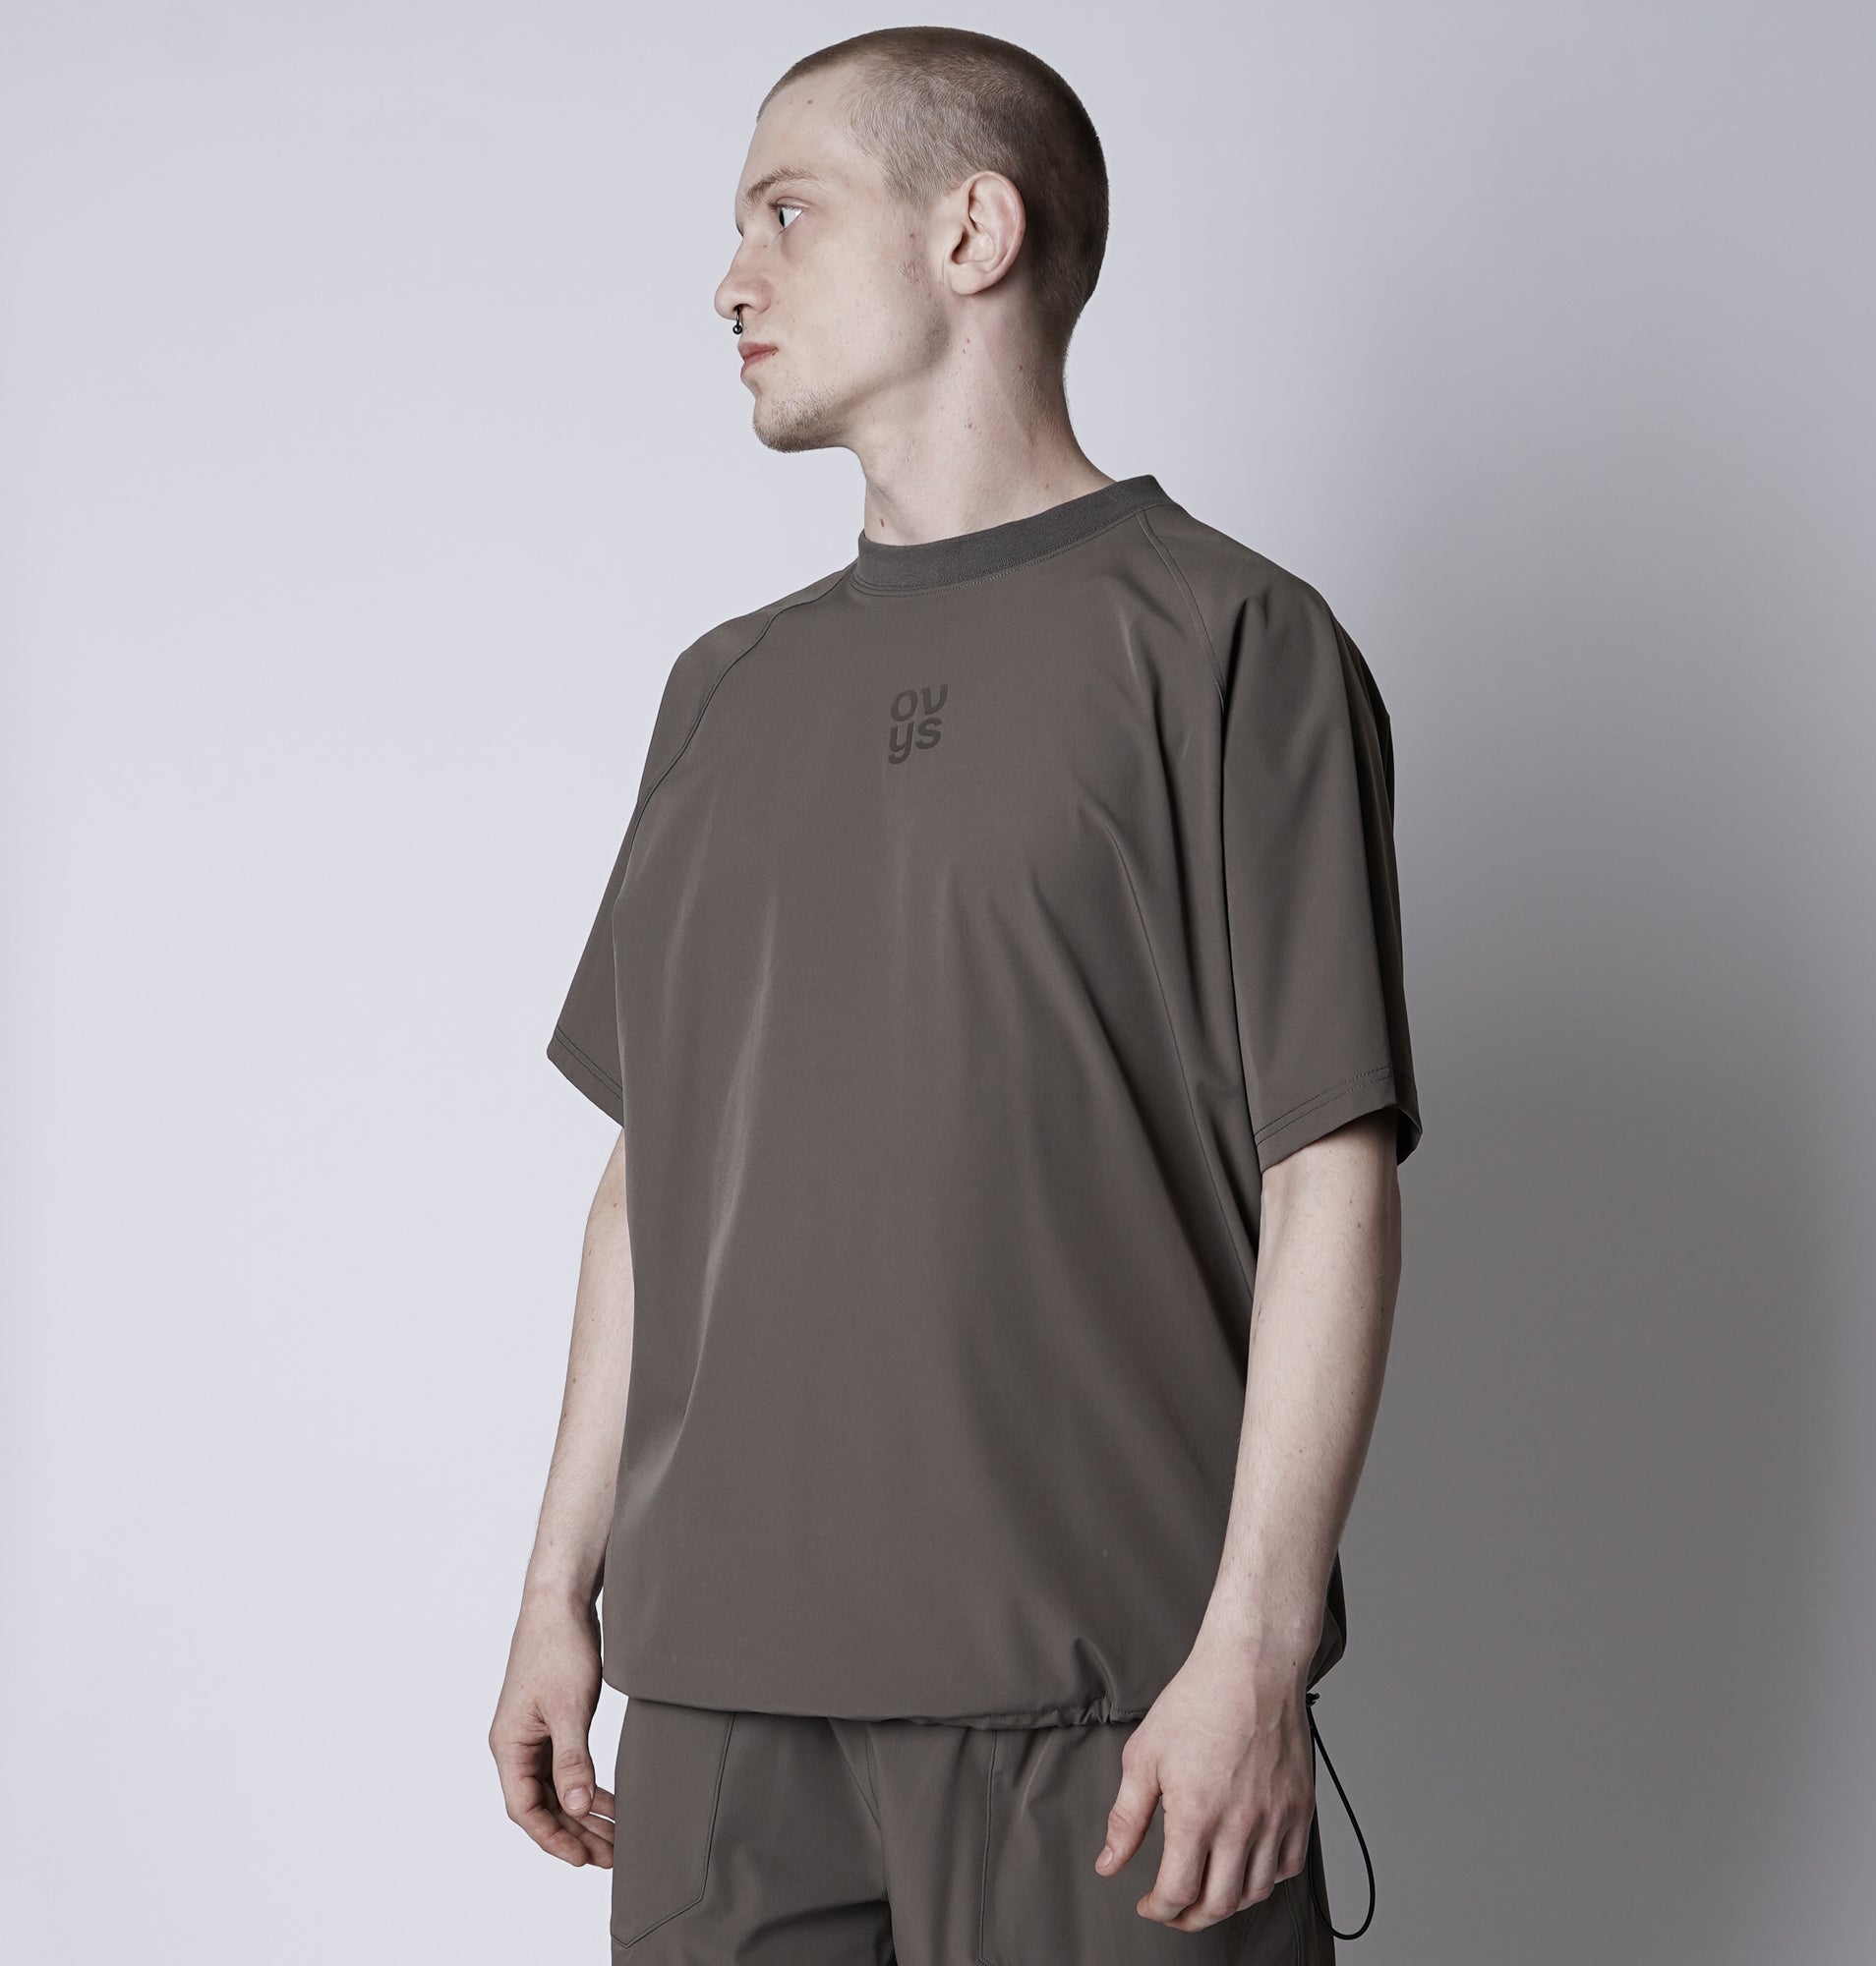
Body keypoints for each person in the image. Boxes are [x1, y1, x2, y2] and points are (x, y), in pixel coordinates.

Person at [489, 25, 1421, 1964]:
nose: (728, 278)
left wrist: (1255, 1648)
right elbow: (651, 1178)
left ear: (971, 232)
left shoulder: (1229, 643)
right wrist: (555, 1589)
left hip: (1103, 1706)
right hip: (724, 1711)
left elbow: (1325, 1167)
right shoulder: (722, 691)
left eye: (785, 212)